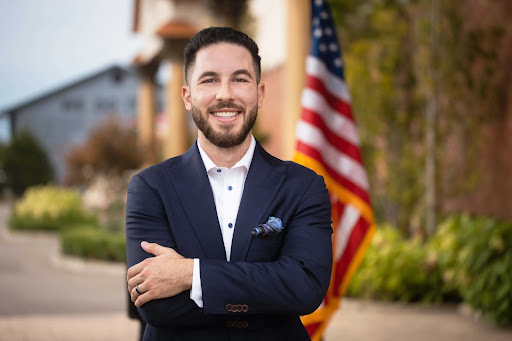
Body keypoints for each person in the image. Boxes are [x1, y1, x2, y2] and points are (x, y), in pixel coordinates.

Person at [126, 26, 333, 341]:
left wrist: (191, 275)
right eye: (209, 80)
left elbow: (305, 288)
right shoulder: (150, 187)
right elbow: (155, 306)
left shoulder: (303, 185)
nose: (225, 94)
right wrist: (266, 289)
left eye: (240, 79)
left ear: (259, 94)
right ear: (187, 96)